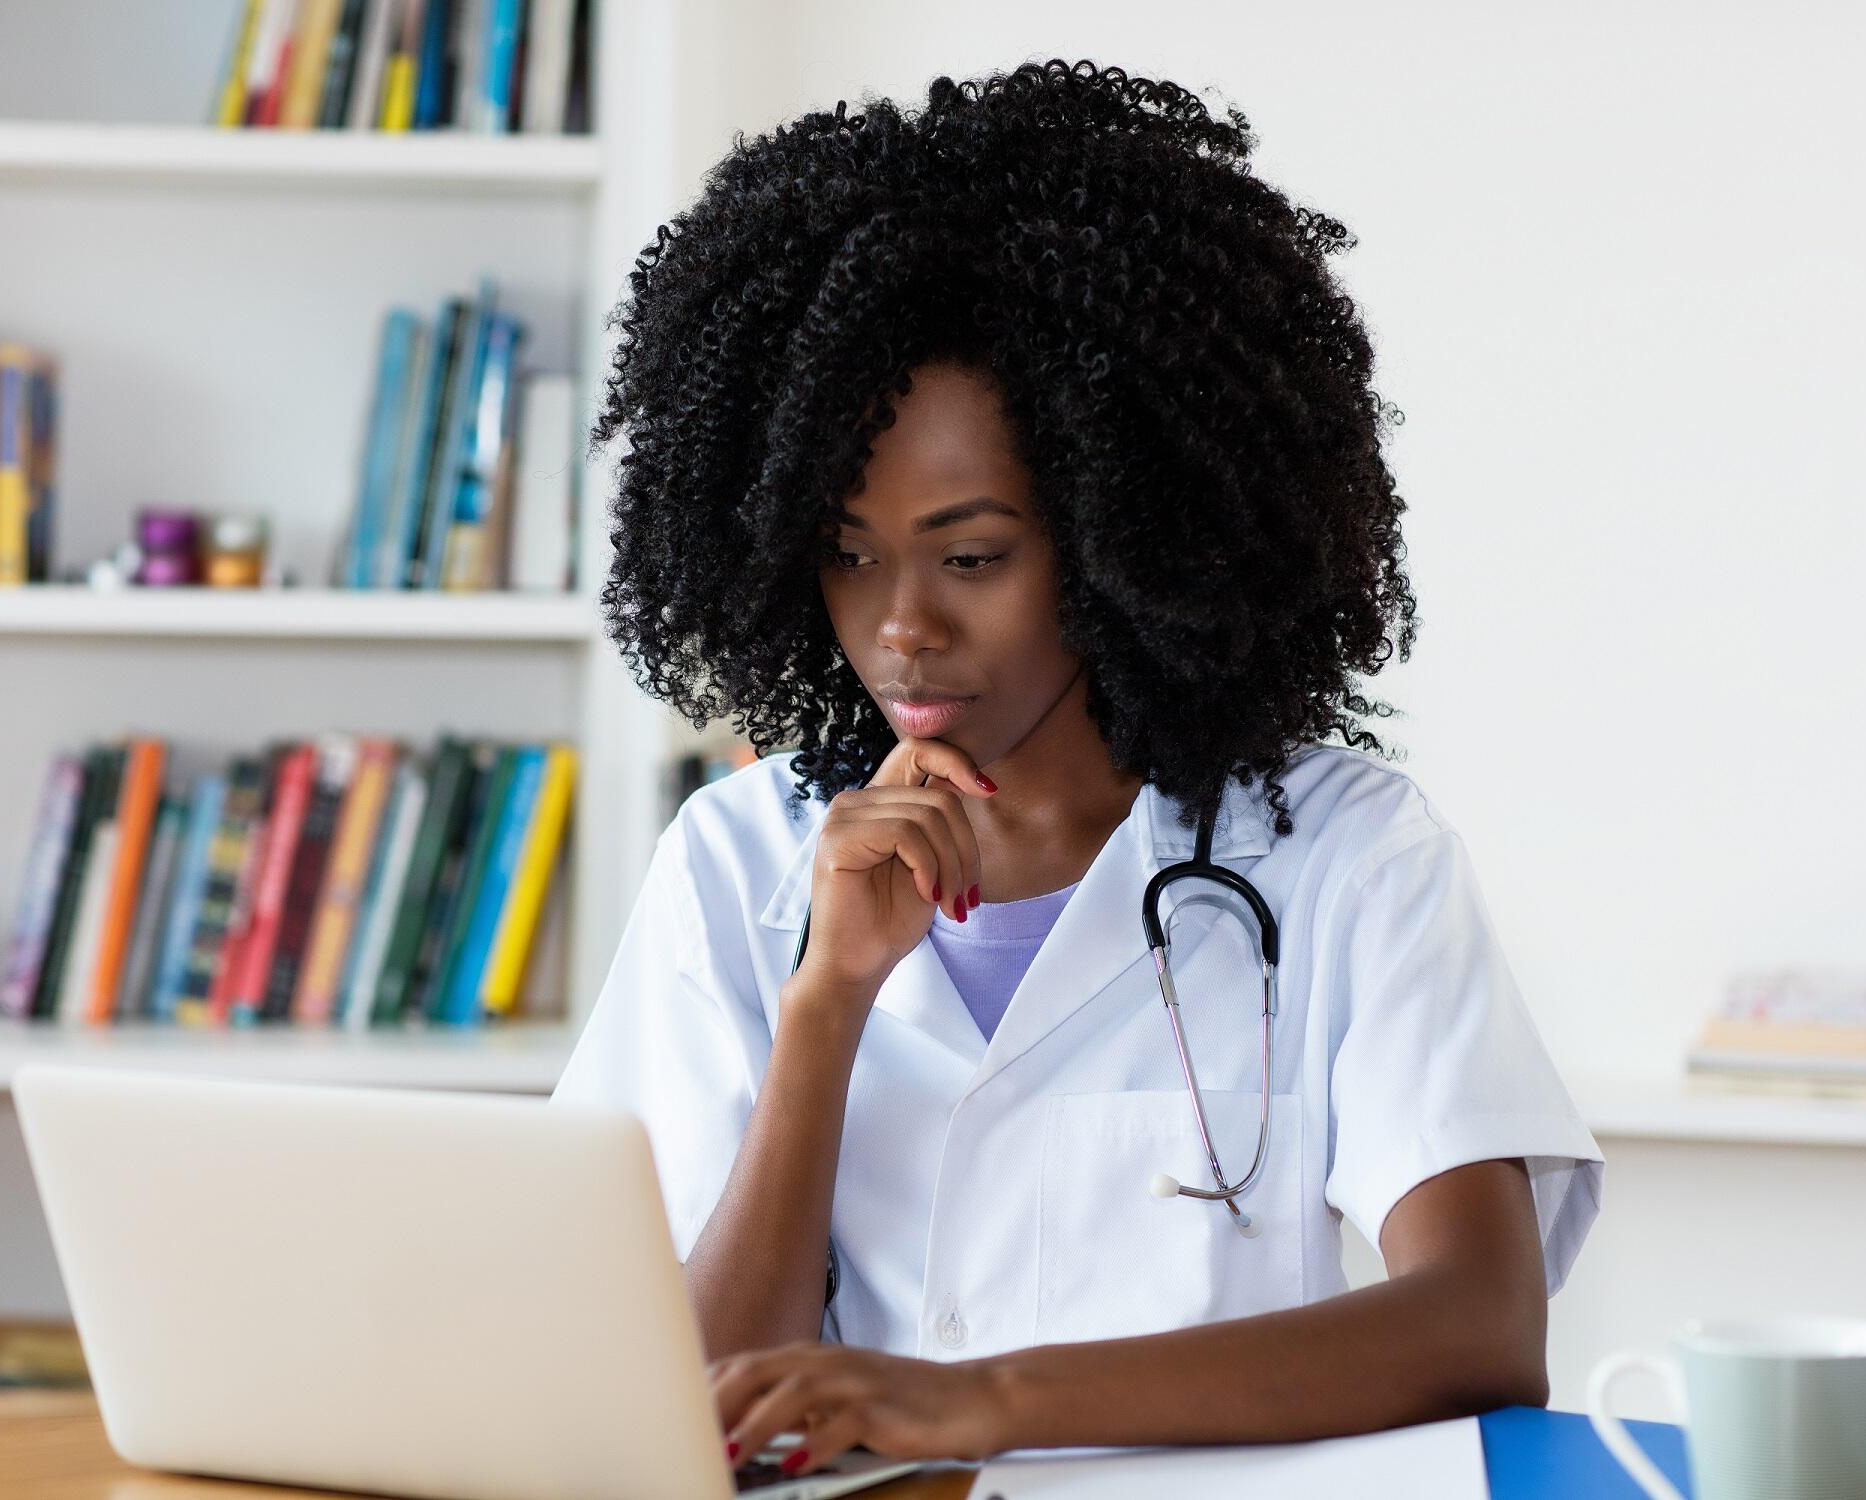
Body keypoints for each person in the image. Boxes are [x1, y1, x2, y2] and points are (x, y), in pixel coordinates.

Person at [551, 58, 1602, 1478]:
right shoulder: (737, 860)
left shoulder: (1345, 855)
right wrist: (826, 1008)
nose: (902, 626)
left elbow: (1476, 1325)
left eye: (972, 556)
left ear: (1127, 538)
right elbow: (662, 1403)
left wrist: (979, 1401)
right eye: (848, 555)